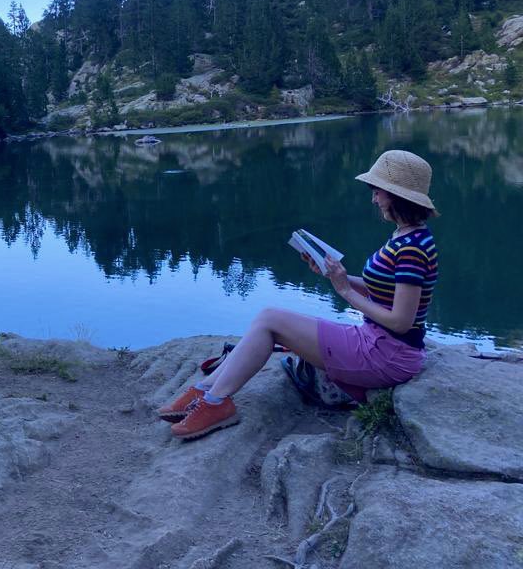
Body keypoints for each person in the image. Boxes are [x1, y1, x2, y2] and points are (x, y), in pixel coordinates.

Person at [158, 149, 439, 441]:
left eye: (377, 191)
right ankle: (206, 394)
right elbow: (385, 289)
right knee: (269, 320)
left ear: (396, 195)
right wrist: (335, 275)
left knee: (270, 320)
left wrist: (343, 290)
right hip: (378, 343)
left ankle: (215, 403)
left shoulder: (412, 249)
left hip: (387, 355)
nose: (373, 198)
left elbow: (401, 321)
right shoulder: (405, 236)